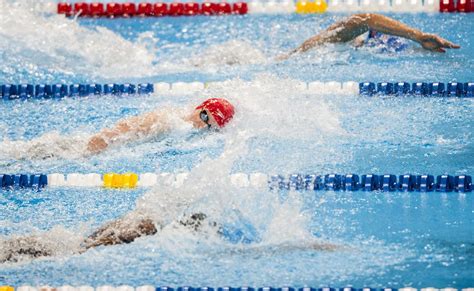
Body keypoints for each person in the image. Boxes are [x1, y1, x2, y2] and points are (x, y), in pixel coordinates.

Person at [86, 98, 235, 154]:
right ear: (198, 108)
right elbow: (124, 128)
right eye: (204, 116)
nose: (200, 124)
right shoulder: (167, 119)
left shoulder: (184, 130)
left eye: (208, 126)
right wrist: (94, 147)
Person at [280, 13, 460, 59]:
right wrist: (418, 37)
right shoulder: (333, 42)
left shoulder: (375, 40)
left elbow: (367, 20)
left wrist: (419, 38)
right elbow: (365, 19)